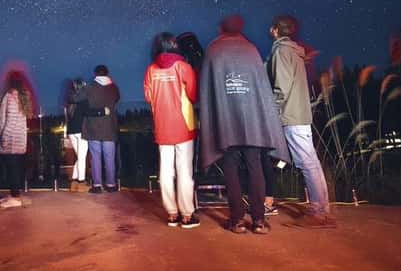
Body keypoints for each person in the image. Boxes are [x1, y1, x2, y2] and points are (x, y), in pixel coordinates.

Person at [199, 14, 290, 235]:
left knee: (230, 167)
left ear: (222, 28)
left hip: (226, 119)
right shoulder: (251, 50)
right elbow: (261, 88)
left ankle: (237, 220)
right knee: (255, 165)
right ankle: (258, 221)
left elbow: (206, 87)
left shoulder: (213, 50)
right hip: (253, 121)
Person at [268, 15, 337, 228]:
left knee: (307, 163)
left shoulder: (281, 51)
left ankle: (317, 213)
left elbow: (282, 87)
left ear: (276, 30)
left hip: (291, 114)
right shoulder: (296, 52)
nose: (270, 31)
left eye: (272, 28)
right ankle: (322, 209)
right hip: (301, 112)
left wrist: (274, 112)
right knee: (311, 161)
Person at [144, 33, 200, 228]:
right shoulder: (184, 67)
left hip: (162, 125)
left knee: (165, 171)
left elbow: (149, 97)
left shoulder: (151, 70)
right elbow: (193, 95)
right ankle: (187, 214)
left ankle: (172, 214)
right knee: (184, 171)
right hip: (183, 125)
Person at [72, 65, 120, 193]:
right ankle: (111, 184)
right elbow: (117, 99)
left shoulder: (90, 87)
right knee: (110, 156)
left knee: (95, 157)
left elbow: (76, 98)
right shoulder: (114, 87)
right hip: (109, 126)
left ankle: (97, 185)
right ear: (107, 73)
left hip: (93, 127)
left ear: (95, 74)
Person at [0, 71, 32, 208]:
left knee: (11, 170)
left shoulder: (9, 96)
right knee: (16, 168)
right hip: (20, 139)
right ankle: (14, 195)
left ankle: (15, 198)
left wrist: (3, 137)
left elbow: (6, 120)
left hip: (10, 139)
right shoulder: (24, 97)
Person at [65, 79, 90, 189]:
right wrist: (102, 111)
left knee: (80, 156)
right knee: (82, 157)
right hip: (81, 131)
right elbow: (89, 112)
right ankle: (81, 182)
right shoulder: (84, 100)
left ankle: (74, 181)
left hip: (71, 132)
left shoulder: (69, 100)